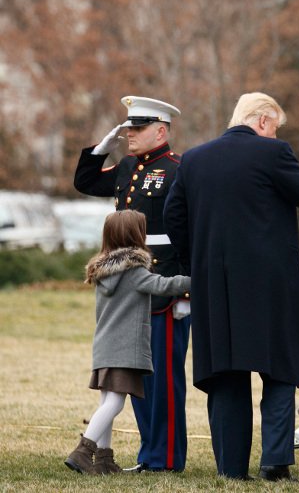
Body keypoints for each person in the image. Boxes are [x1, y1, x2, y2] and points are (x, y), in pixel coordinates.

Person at [163, 92, 299, 481]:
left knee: (226, 375)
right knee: (280, 369)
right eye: (274, 127)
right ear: (261, 121)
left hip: (216, 287)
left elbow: (175, 219)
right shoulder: (272, 154)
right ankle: (274, 461)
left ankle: (231, 469)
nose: (275, 135)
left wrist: (199, 264)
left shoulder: (193, 160)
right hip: (272, 285)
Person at [73, 96, 191, 472]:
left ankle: (165, 458)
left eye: (137, 129)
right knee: (137, 377)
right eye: (127, 129)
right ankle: (149, 454)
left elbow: (189, 230)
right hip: (131, 285)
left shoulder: (179, 170)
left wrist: (186, 292)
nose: (129, 136)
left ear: (161, 130)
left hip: (164, 284)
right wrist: (98, 152)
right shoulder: (126, 167)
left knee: (164, 382)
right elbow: (86, 182)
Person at [65, 210, 191, 475]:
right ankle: (83, 451)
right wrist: (199, 280)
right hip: (124, 350)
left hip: (104, 346)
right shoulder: (133, 271)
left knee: (106, 403)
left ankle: (104, 461)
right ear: (135, 235)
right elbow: (164, 285)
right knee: (116, 404)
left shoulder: (103, 271)